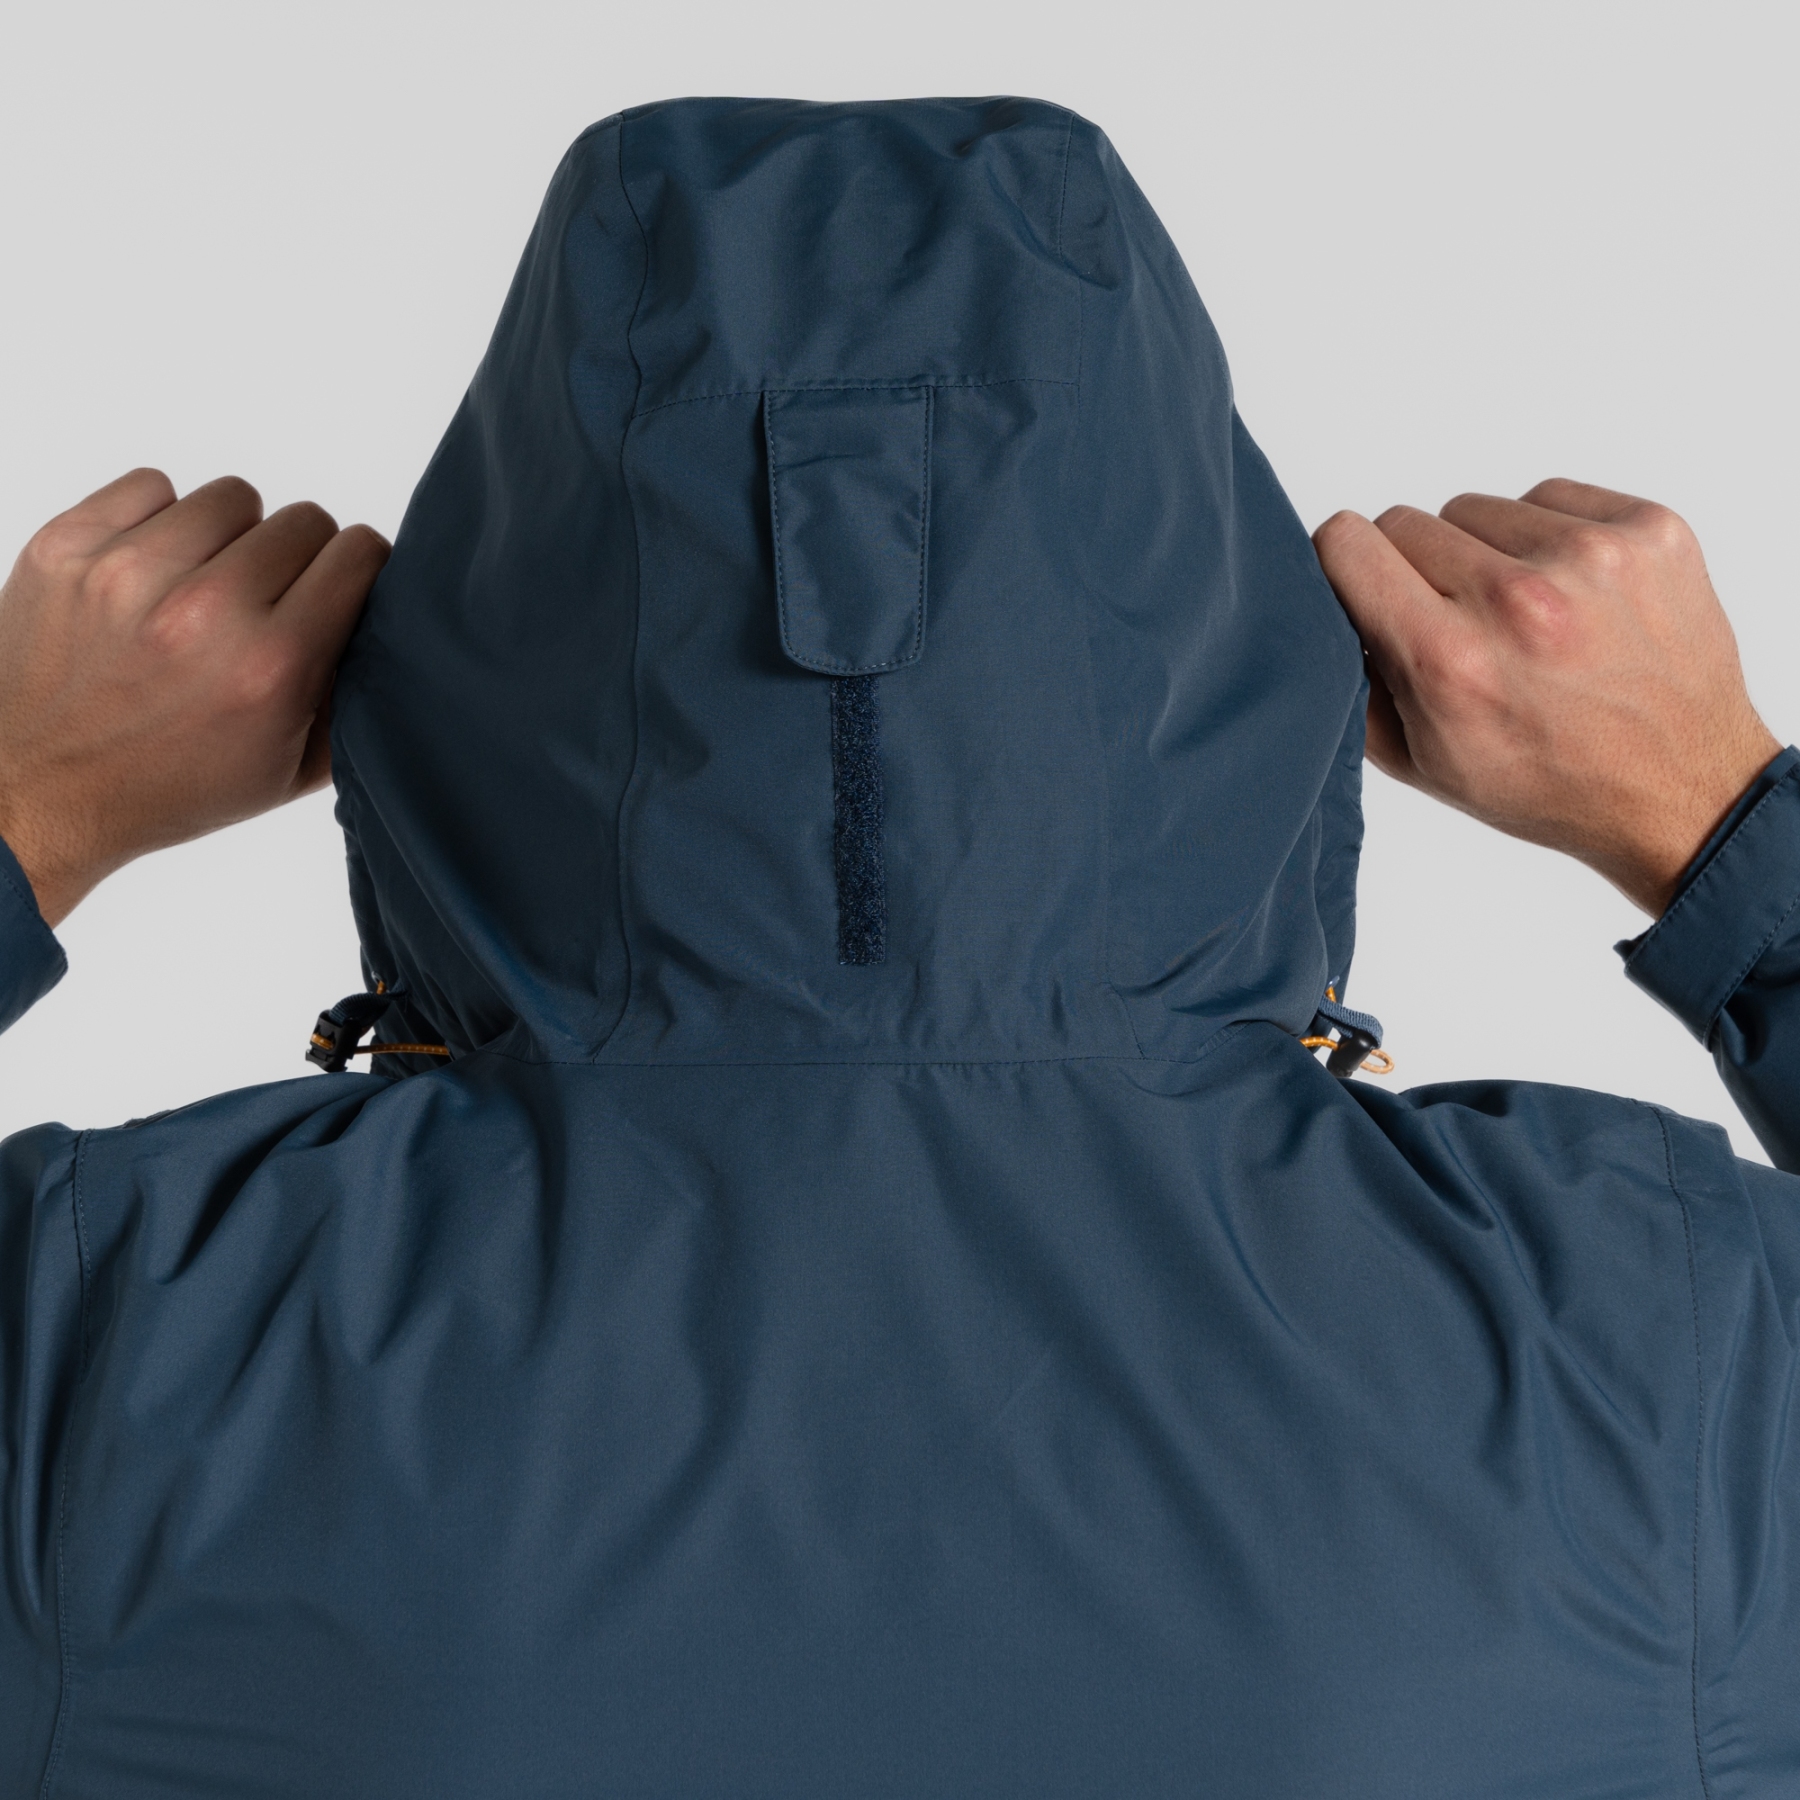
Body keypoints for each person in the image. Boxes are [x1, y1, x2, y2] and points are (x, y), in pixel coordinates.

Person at [1, 96, 1794, 1798]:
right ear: (1247, 650)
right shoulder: (1650, 1345)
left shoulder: (114, 1352)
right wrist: (1712, 820)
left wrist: (36, 804)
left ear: (452, 669)